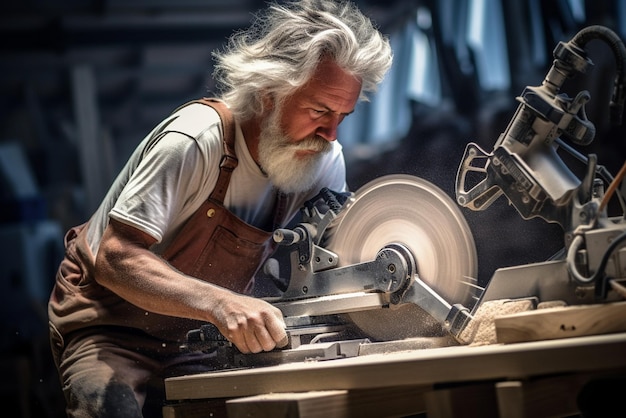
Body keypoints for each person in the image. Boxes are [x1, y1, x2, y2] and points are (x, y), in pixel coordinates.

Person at [47, 0, 392, 416]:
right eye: (320, 110)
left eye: (343, 115)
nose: (331, 132)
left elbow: (335, 258)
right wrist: (223, 304)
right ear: (269, 93)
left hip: (203, 337)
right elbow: (116, 258)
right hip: (109, 331)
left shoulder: (322, 156)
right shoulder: (194, 142)